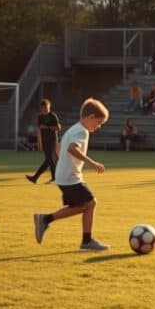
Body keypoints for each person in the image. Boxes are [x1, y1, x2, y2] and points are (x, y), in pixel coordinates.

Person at [33, 98, 110, 251]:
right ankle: (85, 241)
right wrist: (92, 163)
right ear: (91, 117)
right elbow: (71, 149)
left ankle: (46, 219)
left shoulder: (74, 128)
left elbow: (59, 147)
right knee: (90, 203)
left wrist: (63, 165)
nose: (99, 126)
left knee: (83, 205)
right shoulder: (82, 131)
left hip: (66, 175)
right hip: (70, 177)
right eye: (99, 122)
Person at [26, 99, 61, 184]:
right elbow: (38, 130)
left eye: (46, 108)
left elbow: (58, 128)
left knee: (50, 159)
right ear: (41, 108)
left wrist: (48, 127)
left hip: (52, 140)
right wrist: (39, 142)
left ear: (49, 107)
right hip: (45, 141)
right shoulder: (40, 117)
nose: (45, 110)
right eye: (43, 108)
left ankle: (51, 178)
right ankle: (38, 178)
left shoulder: (53, 116)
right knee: (49, 160)